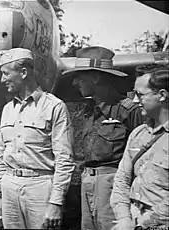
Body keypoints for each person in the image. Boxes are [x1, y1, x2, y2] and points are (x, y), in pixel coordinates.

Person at [0, 48, 75, 229]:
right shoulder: (7, 110)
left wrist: (56, 202)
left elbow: (64, 159)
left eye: (6, 74)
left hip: (40, 186)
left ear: (23, 72)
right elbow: (1, 156)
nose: (2, 80)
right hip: (9, 186)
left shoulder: (54, 107)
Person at [63, 46, 144, 230]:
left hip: (113, 186)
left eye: (80, 77)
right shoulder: (88, 111)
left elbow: (140, 158)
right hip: (87, 183)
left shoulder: (128, 111)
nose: (75, 82)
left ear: (96, 77)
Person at [110, 69, 169, 230]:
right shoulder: (138, 134)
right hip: (132, 220)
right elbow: (122, 179)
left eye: (140, 94)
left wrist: (144, 223)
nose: (135, 100)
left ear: (162, 95)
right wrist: (124, 219)